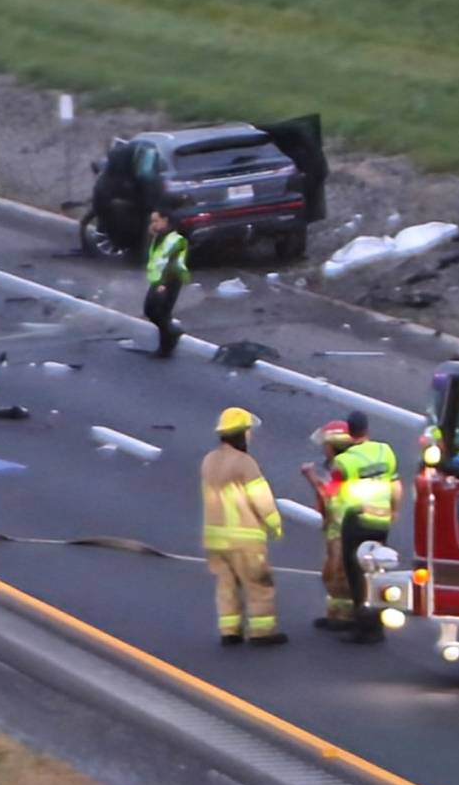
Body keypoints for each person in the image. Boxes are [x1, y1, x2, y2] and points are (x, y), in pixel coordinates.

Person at [202, 406, 287, 646]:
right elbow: (261, 498)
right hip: (244, 537)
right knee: (259, 585)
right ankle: (262, 632)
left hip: (215, 538)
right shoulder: (245, 462)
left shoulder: (209, 460)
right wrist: (274, 524)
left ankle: (230, 631)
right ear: (241, 433)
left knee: (226, 585)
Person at [328, 410, 404, 643]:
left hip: (357, 520)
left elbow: (334, 494)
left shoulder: (344, 461)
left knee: (356, 573)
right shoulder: (385, 451)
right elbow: (396, 486)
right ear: (367, 430)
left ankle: (363, 626)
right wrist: (394, 511)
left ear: (349, 432)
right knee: (377, 570)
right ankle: (378, 624)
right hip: (381, 522)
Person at [300, 419, 358, 631]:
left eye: (326, 445)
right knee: (331, 573)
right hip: (337, 527)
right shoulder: (345, 465)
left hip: (344, 529)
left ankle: (347, 617)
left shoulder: (344, 468)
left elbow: (329, 495)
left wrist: (311, 477)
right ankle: (336, 614)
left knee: (339, 573)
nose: (324, 450)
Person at [143, 211, 190, 358]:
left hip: (170, 280)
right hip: (159, 279)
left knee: (155, 310)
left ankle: (169, 340)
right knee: (157, 312)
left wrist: (163, 284)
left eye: (156, 221)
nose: (153, 225)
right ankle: (168, 340)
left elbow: (172, 264)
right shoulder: (161, 236)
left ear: (165, 220)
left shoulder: (175, 240)